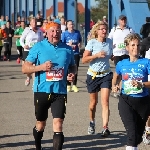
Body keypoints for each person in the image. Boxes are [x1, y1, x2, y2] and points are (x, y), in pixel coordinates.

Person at [22, 22, 76, 150]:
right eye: (52, 31)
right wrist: (42, 67)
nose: (55, 33)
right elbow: (25, 69)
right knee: (41, 124)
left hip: (60, 91)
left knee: (58, 123)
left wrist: (72, 73)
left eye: (58, 31)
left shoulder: (67, 49)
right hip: (41, 90)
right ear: (46, 33)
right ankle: (38, 146)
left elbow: (73, 65)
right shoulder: (38, 47)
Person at [112, 33, 150, 150]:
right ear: (127, 47)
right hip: (126, 101)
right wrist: (115, 86)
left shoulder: (146, 62)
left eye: (138, 45)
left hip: (143, 102)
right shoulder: (121, 64)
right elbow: (116, 77)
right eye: (132, 45)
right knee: (132, 135)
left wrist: (141, 84)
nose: (136, 48)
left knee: (137, 137)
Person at [82, 21, 113, 136]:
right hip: (93, 75)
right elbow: (84, 60)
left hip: (106, 74)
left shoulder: (110, 42)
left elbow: (111, 54)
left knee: (105, 102)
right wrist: (96, 55)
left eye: (105, 29)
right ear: (97, 31)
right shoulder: (92, 43)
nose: (104, 31)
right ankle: (92, 121)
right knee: (93, 104)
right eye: (102, 29)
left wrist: (114, 56)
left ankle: (105, 127)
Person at [20, 17, 44, 86]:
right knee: (28, 67)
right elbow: (21, 40)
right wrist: (24, 45)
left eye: (35, 22)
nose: (34, 23)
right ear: (30, 23)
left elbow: (42, 41)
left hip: (36, 51)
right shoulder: (27, 30)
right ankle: (28, 77)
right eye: (33, 22)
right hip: (28, 50)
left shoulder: (39, 31)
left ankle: (34, 84)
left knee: (34, 67)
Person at [61, 20, 82, 92]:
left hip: (75, 53)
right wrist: (68, 45)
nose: (71, 26)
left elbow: (80, 41)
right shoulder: (64, 34)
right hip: (67, 53)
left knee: (75, 69)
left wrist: (79, 44)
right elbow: (61, 44)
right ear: (67, 26)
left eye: (72, 24)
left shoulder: (77, 33)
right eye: (70, 24)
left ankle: (74, 85)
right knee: (67, 68)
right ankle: (68, 85)